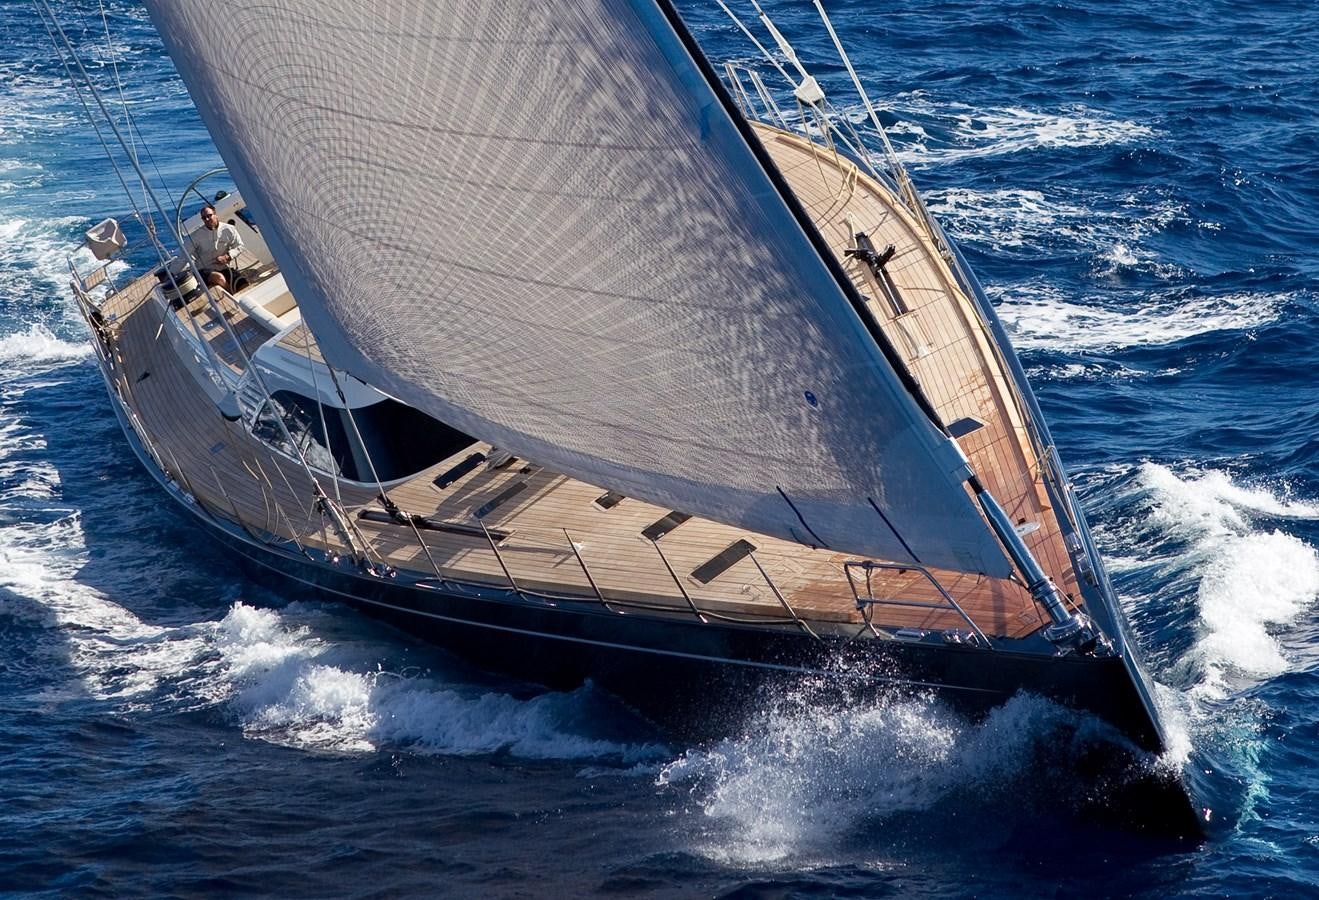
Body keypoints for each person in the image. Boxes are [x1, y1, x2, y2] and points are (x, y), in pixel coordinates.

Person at [193, 204, 245, 291]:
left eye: (209, 216)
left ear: (215, 215)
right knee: (219, 278)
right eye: (204, 218)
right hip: (205, 270)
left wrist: (228, 256)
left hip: (224, 267)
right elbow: (184, 256)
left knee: (243, 283)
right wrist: (171, 273)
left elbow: (240, 246)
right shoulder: (197, 236)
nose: (207, 219)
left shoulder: (229, 229)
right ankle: (233, 297)